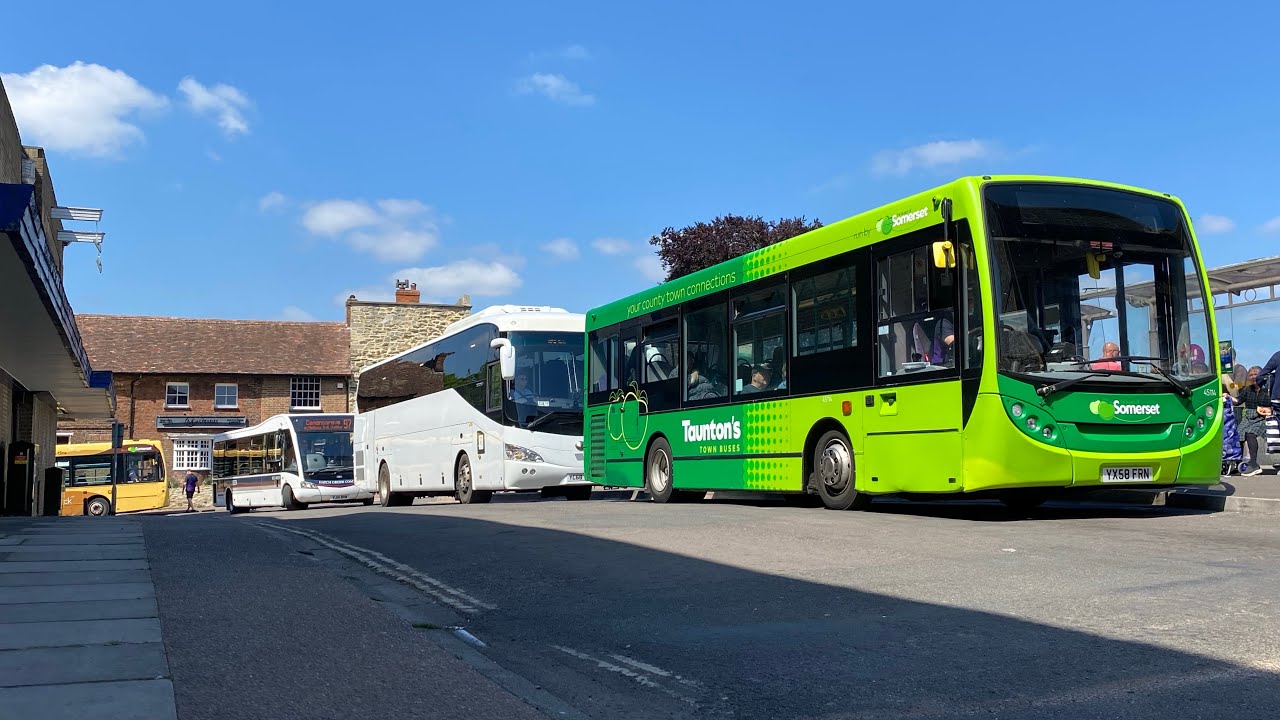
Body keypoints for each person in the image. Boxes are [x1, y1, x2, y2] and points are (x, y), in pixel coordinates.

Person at [1237, 366, 1270, 476]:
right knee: (1239, 433)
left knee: (1251, 433)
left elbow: (1274, 403)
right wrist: (1227, 397)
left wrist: (1269, 409)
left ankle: (1253, 463)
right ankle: (1238, 460)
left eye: (1256, 374)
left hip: (1263, 418)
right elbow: (1238, 401)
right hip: (1249, 416)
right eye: (1251, 375)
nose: (1253, 377)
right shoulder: (1247, 389)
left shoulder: (1268, 389)